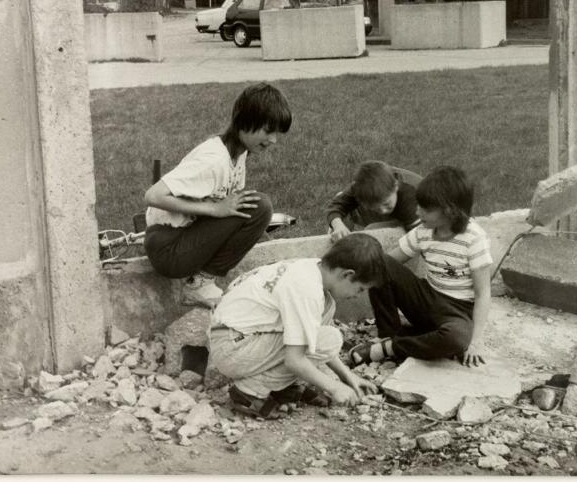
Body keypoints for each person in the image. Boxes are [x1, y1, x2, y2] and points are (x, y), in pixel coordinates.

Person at [143, 82, 291, 307]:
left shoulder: (239, 154)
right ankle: (198, 285)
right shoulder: (214, 159)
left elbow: (226, 209)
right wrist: (215, 209)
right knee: (259, 207)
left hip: (183, 238)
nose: (273, 140)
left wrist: (251, 232)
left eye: (277, 133)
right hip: (168, 249)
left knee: (252, 208)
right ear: (245, 121)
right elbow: (153, 196)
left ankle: (201, 281)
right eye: (268, 131)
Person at [208, 233, 386, 418]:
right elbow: (296, 359)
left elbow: (314, 341)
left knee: (326, 319)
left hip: (236, 339)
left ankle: (278, 386)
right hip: (232, 348)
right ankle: (248, 392)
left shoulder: (312, 270)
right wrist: (334, 387)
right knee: (330, 338)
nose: (358, 295)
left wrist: (347, 376)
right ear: (347, 274)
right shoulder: (307, 290)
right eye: (360, 289)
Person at [348, 166, 493, 368]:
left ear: (449, 210)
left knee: (458, 340)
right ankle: (388, 333)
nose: (417, 211)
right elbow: (389, 262)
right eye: (418, 205)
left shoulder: (474, 239)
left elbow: (483, 293)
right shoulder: (423, 231)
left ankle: (392, 347)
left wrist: (477, 341)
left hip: (457, 313)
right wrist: (359, 279)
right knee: (379, 263)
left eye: (425, 208)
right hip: (428, 298)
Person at [326, 160, 421, 242]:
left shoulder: (409, 196)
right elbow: (336, 205)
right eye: (375, 208)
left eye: (386, 204)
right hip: (384, 211)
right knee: (338, 208)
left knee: (372, 231)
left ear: (396, 187)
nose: (383, 210)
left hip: (415, 216)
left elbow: (419, 235)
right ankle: (342, 241)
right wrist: (338, 225)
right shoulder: (360, 187)